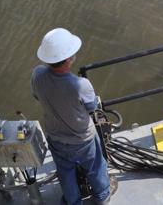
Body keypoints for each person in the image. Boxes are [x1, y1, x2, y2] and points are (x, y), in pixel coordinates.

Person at [31, 28, 113, 205]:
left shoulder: (37, 74)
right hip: (83, 139)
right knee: (95, 168)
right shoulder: (81, 84)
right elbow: (92, 107)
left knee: (65, 173)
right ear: (68, 59)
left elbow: (36, 95)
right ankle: (102, 196)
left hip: (56, 137)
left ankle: (73, 202)